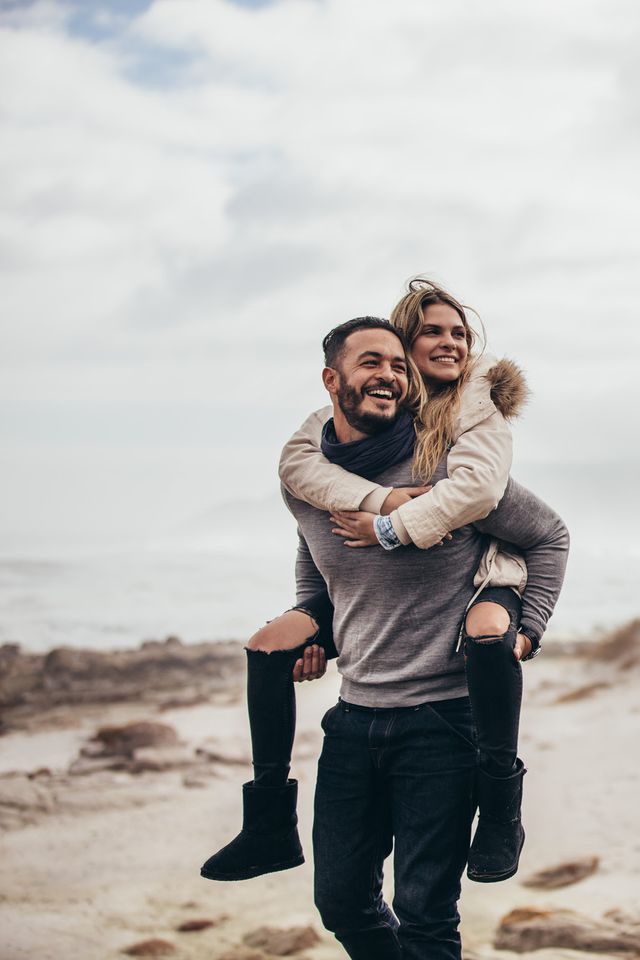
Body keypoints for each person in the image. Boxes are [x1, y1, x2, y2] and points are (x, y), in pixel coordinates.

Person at [201, 282, 565, 895]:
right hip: (354, 719)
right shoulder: (312, 463)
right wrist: (317, 619)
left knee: (426, 911)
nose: (390, 374)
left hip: (444, 715)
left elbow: (546, 531)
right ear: (330, 379)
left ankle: (503, 802)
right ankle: (267, 820)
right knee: (341, 902)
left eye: (396, 364)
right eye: (375, 361)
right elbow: (312, 543)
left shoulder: (452, 455)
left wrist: (530, 627)